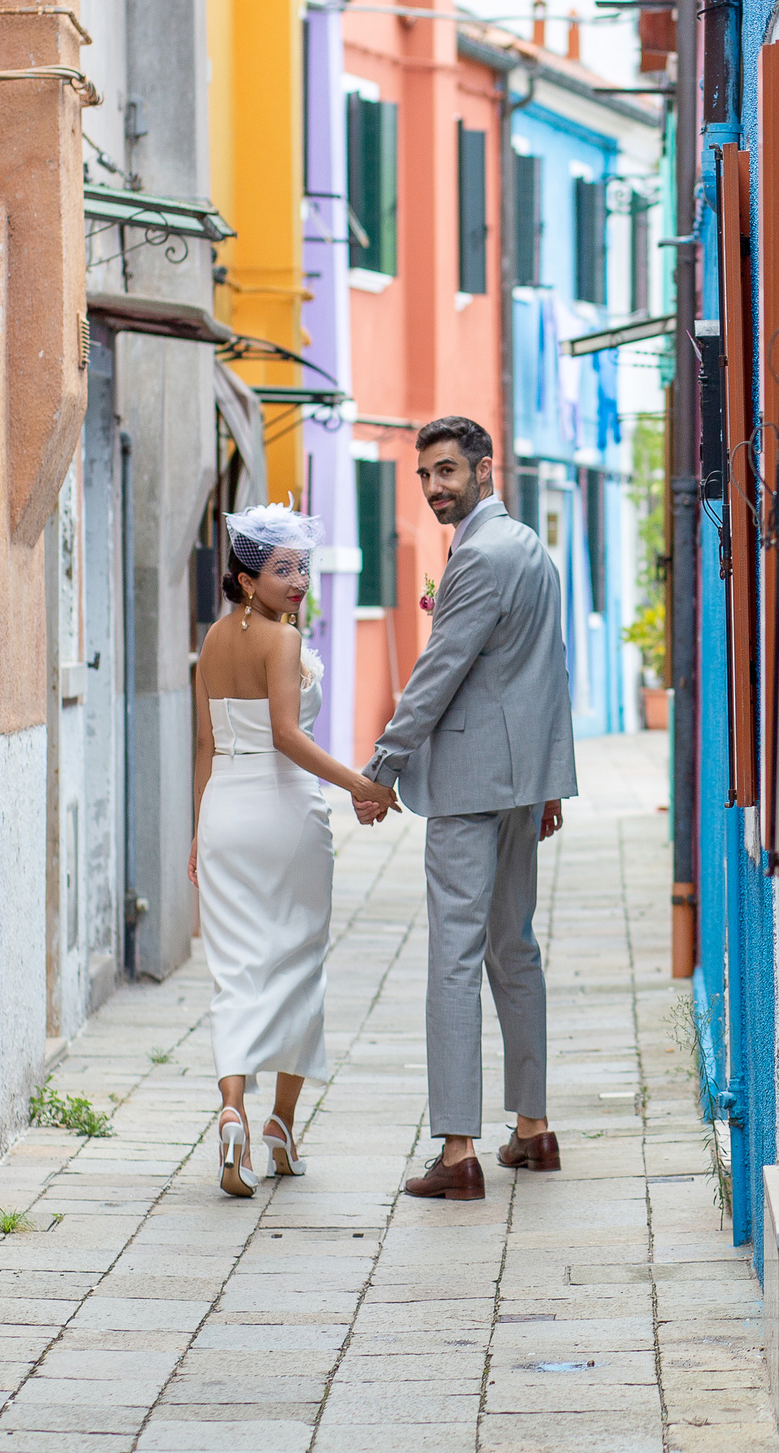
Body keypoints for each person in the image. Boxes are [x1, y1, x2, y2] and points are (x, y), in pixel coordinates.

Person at [357, 416, 577, 1201]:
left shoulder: (479, 555)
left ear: (486, 469)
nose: (434, 488)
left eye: (447, 471)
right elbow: (547, 669)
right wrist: (550, 779)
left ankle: (457, 1152)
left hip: (472, 786)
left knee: (454, 958)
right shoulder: (530, 547)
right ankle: (533, 1128)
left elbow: (438, 671)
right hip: (518, 785)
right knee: (513, 947)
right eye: (425, 476)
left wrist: (380, 768)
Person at [191, 502, 397, 1197]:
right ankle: (277, 1119)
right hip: (284, 814)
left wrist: (197, 831)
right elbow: (286, 733)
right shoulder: (280, 642)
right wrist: (361, 782)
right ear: (248, 579)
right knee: (298, 965)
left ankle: (234, 1114)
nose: (300, 580)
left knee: (234, 970)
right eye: (284, 569)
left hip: (225, 811)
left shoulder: (213, 645)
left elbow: (203, 746)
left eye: (303, 566)